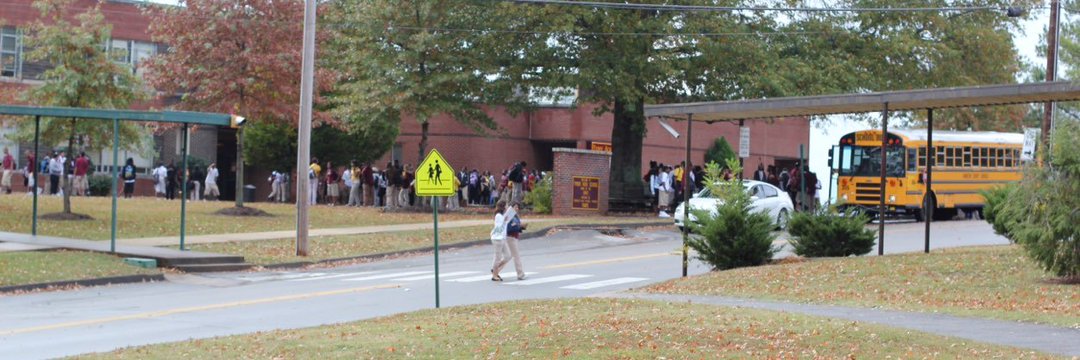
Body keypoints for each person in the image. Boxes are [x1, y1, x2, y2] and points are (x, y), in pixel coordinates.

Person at [489, 200, 514, 281]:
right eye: (506, 205)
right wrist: (504, 219)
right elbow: (498, 227)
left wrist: (507, 219)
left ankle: (495, 268)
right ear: (503, 207)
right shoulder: (498, 215)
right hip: (497, 239)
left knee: (508, 256)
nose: (507, 207)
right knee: (497, 257)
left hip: (503, 238)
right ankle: (494, 275)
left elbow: (505, 224)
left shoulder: (503, 215)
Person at [504, 202, 527, 280]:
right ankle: (520, 274)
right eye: (515, 207)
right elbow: (509, 229)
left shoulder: (516, 216)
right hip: (510, 238)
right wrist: (519, 226)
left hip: (515, 237)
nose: (517, 208)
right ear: (511, 208)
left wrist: (521, 227)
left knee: (508, 256)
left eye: (518, 207)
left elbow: (516, 227)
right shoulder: (509, 216)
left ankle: (495, 269)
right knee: (516, 256)